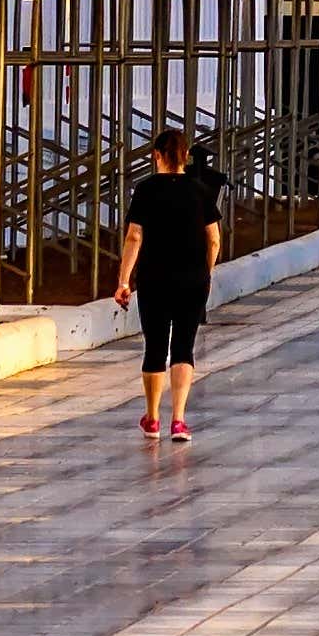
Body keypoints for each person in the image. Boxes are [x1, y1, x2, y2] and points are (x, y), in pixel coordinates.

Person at [117, 127, 224, 442]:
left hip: (154, 279)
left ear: (157, 156)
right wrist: (204, 271)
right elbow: (214, 239)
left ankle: (152, 418)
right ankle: (178, 420)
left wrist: (124, 280)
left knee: (155, 347)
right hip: (192, 279)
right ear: (186, 156)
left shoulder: (146, 190)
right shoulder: (201, 190)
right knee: (183, 347)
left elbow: (135, 236)